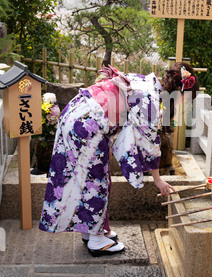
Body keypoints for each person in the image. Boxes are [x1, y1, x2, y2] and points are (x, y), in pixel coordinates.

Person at [39, 62, 199, 257]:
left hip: (78, 115)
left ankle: (91, 232)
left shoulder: (146, 82)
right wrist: (158, 180)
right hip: (87, 125)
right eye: (187, 98)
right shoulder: (150, 99)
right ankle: (97, 240)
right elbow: (150, 145)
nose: (185, 103)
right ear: (180, 91)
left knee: (91, 179)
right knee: (96, 182)